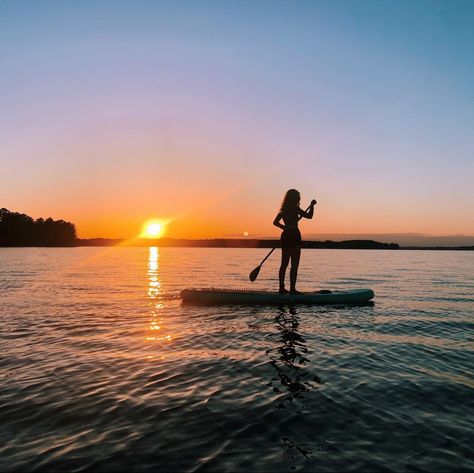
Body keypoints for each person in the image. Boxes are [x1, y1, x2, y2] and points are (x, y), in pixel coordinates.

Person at [273, 189, 317, 294]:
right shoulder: (295, 209)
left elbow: (275, 222)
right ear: (295, 198)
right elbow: (310, 216)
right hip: (294, 235)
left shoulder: (283, 210)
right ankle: (292, 289)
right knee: (294, 264)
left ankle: (281, 288)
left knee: (284, 264)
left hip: (286, 235)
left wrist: (284, 227)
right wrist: (312, 206)